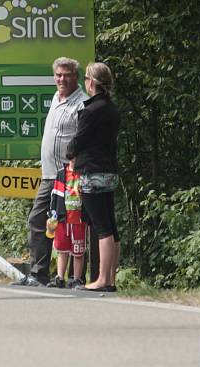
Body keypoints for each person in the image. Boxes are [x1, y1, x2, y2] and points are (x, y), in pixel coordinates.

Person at [14, 57, 87, 287]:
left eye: (66, 75)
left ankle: (78, 278)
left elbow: (84, 139)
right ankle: (39, 274)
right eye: (58, 75)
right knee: (40, 221)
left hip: (70, 177)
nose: (61, 79)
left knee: (76, 225)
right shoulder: (56, 97)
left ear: (76, 76)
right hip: (50, 175)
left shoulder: (82, 104)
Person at [66, 62, 121, 292]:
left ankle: (101, 279)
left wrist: (70, 153)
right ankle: (111, 279)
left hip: (92, 172)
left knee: (101, 227)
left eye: (86, 79)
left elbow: (79, 140)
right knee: (111, 225)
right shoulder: (112, 109)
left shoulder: (90, 111)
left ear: (93, 82)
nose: (85, 83)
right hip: (109, 170)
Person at [47, 161, 86, 288]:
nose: (75, 161)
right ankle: (60, 277)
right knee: (62, 250)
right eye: (73, 158)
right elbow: (55, 195)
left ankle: (77, 279)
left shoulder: (84, 174)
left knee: (78, 252)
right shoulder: (61, 174)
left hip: (79, 220)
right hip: (63, 218)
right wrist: (52, 214)